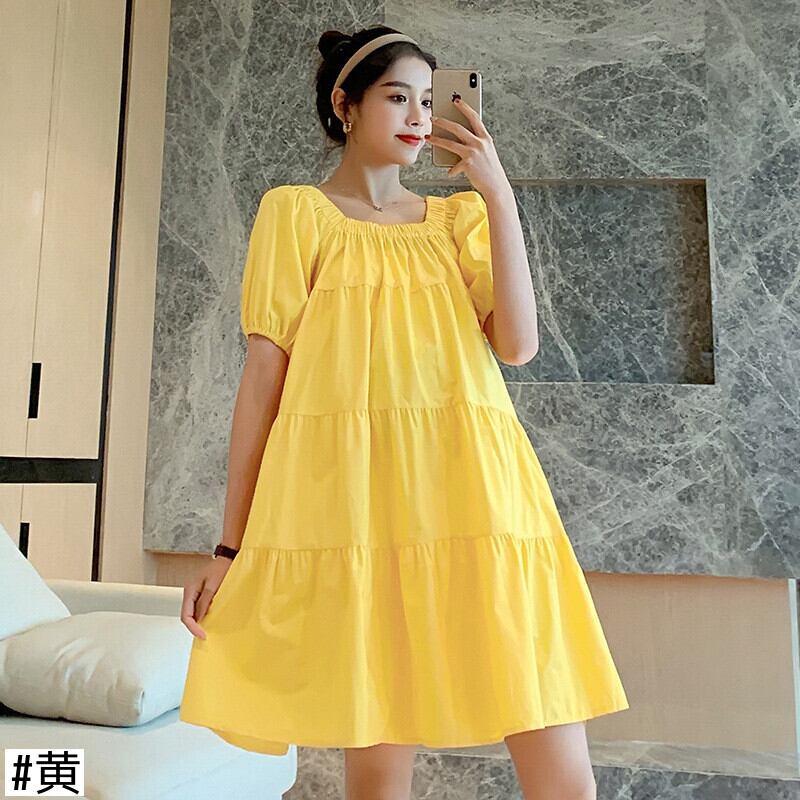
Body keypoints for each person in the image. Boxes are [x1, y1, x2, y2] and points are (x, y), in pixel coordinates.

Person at [178, 25, 629, 800]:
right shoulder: (296, 215)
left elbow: (518, 345)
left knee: (558, 753)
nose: (420, 117)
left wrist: (497, 192)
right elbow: (262, 382)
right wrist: (230, 546)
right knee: (378, 776)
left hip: (480, 496)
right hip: (359, 507)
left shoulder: (459, 223)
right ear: (345, 105)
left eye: (428, 99)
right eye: (398, 97)